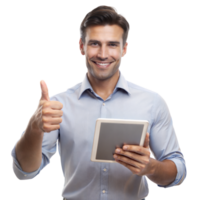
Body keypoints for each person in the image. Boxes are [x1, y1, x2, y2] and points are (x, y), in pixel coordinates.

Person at [10, 5, 186, 200]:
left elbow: (178, 172)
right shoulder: (58, 105)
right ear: (81, 47)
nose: (103, 54)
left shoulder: (152, 103)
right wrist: (34, 129)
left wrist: (151, 167)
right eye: (95, 44)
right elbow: (24, 172)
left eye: (112, 44)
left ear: (124, 48)